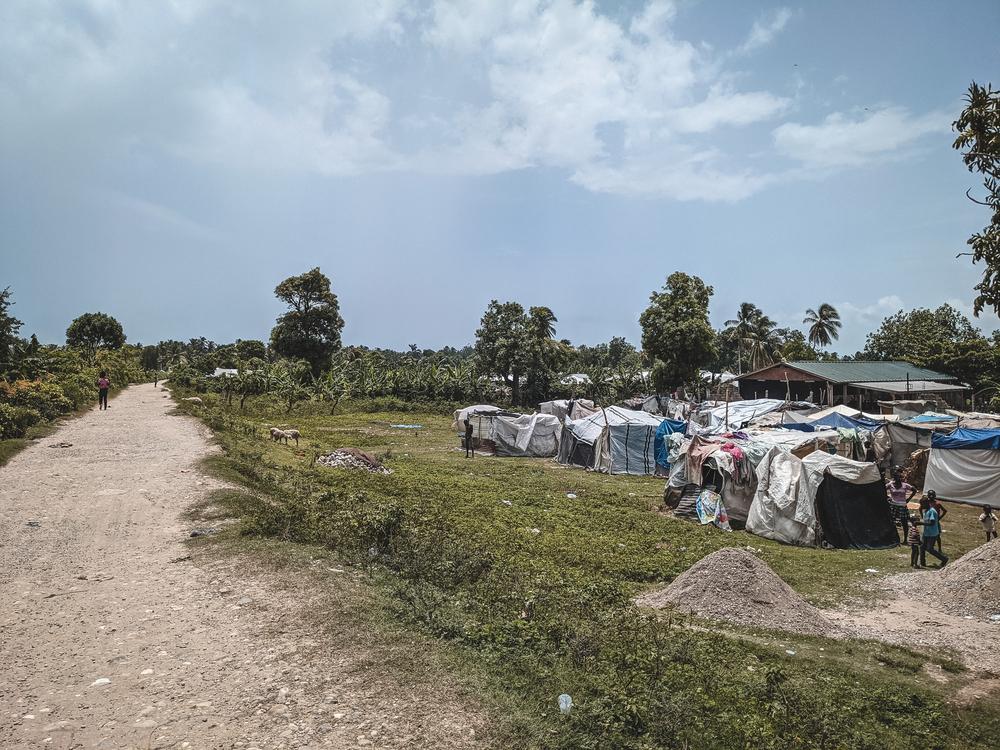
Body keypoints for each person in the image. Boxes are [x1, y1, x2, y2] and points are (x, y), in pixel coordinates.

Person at [919, 496, 948, 568]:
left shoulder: (932, 511)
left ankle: (944, 559)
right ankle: (922, 563)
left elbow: (932, 523)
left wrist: (921, 523)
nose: (921, 506)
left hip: (932, 534)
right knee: (922, 547)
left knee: (930, 549)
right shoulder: (926, 510)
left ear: (927, 503)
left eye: (922, 504)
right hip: (926, 533)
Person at [886, 469, 916, 537]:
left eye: (899, 477)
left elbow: (914, 490)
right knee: (891, 522)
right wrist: (888, 497)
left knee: (904, 522)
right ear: (894, 478)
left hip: (902, 506)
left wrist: (908, 499)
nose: (898, 479)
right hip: (893, 506)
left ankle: (905, 539)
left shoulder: (905, 485)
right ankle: (891, 537)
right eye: (896, 477)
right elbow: (882, 490)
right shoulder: (890, 485)